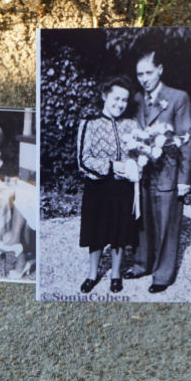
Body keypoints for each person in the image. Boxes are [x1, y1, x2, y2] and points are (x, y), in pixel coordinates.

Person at [123, 50, 191, 294]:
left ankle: (163, 274)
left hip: (167, 170)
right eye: (139, 74)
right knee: (142, 220)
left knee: (167, 223)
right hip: (144, 171)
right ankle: (142, 263)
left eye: (148, 72)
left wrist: (185, 180)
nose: (144, 78)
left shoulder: (178, 98)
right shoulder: (136, 99)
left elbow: (186, 138)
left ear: (160, 70)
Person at [76, 76, 141, 294]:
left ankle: (115, 274)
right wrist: (112, 166)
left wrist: (135, 165)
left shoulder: (131, 125)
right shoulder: (89, 124)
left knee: (119, 232)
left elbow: (138, 154)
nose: (119, 104)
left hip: (122, 189)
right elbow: (83, 159)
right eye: (116, 98)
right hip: (98, 187)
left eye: (124, 100)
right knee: (96, 232)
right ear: (105, 96)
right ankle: (92, 274)